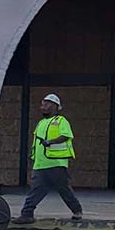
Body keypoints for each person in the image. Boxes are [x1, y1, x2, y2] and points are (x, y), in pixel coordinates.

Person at [17, 93, 82, 222]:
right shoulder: (41, 123)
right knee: (35, 190)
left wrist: (50, 142)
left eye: (47, 104)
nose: (43, 106)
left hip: (56, 163)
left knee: (63, 189)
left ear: (55, 106)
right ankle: (27, 214)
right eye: (43, 104)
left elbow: (65, 136)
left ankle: (77, 210)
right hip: (41, 164)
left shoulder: (61, 121)